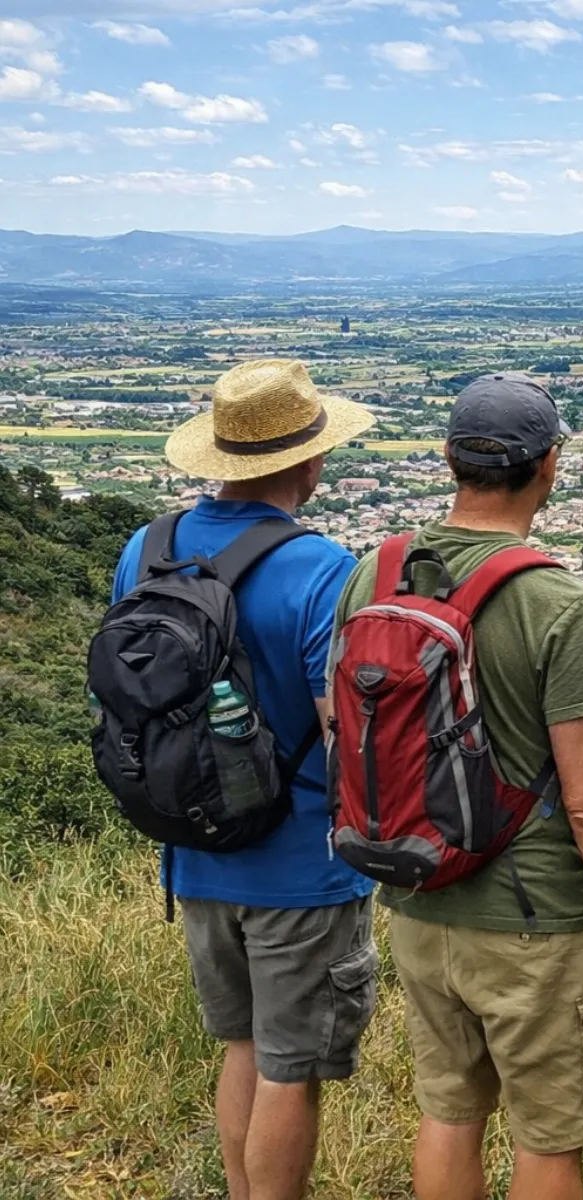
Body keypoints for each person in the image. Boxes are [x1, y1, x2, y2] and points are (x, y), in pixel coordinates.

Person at [331, 373, 583, 1200]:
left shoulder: (375, 574)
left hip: (418, 896)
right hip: (534, 921)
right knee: (550, 1136)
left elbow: (344, 731)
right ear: (550, 465)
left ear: (449, 458)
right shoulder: (556, 601)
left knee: (450, 1116)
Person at [112, 360, 377, 1200]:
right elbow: (342, 724)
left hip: (192, 844)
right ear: (311, 462)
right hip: (297, 860)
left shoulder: (146, 548)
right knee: (290, 1069)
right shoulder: (322, 569)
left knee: (243, 1047)